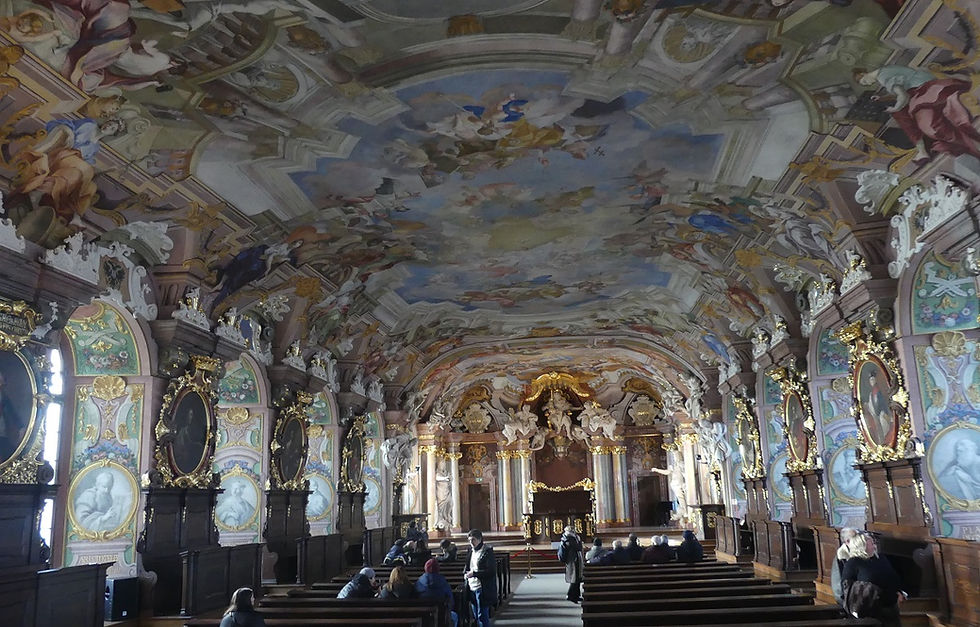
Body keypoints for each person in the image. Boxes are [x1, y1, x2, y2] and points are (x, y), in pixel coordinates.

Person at [841, 532, 907, 627]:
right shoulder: (853, 563)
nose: (875, 546)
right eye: (871, 543)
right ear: (862, 546)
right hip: (868, 611)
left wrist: (899, 592)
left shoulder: (880, 558)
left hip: (890, 606)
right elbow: (846, 587)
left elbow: (893, 577)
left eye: (874, 543)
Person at [463, 529, 496, 627]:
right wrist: (465, 572)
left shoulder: (487, 552)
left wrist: (475, 574)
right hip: (471, 586)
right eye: (469, 540)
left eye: (473, 540)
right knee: (475, 615)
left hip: (482, 588)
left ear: (480, 539)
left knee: (482, 615)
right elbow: (468, 565)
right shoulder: (470, 550)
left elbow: (491, 572)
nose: (471, 543)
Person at [416, 559, 459, 627]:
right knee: (455, 616)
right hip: (442, 616)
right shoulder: (443, 582)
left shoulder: (419, 582)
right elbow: (451, 601)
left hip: (422, 616)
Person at [0, 372, 25, 461]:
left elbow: (13, 414)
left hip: (2, 435)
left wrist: (21, 428)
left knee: (12, 457)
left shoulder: (4, 398)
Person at [831, 528, 861, 603]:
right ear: (847, 541)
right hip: (849, 602)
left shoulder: (859, 553)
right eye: (856, 538)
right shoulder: (840, 557)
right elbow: (838, 588)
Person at [558, 525, 585, 603]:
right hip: (573, 561)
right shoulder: (570, 538)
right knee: (575, 579)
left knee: (577, 579)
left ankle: (576, 595)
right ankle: (571, 596)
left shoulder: (567, 537)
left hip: (573, 560)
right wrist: (579, 541)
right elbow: (578, 547)